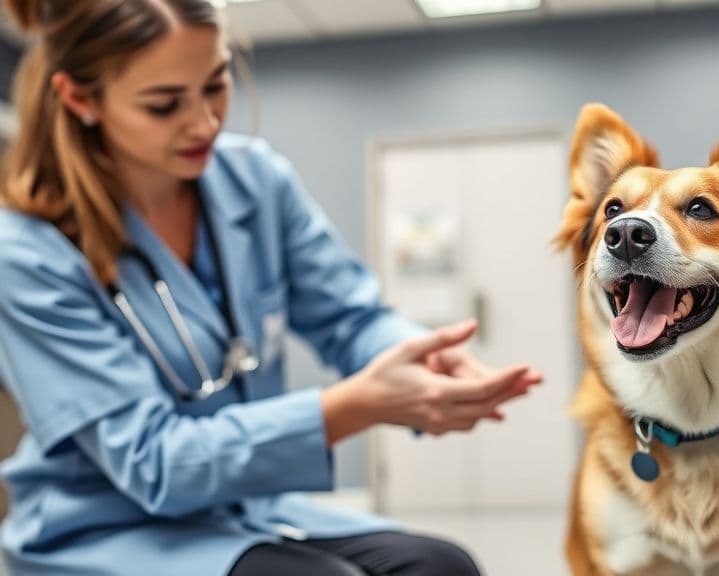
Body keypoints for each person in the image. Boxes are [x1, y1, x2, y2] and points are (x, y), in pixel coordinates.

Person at [0, 1, 543, 575]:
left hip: (242, 507)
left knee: (440, 567)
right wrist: (356, 407)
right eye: (164, 105)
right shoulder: (27, 253)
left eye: (216, 84)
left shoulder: (255, 181)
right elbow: (155, 462)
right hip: (109, 526)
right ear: (81, 99)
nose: (204, 122)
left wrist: (422, 361)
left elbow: (351, 317)